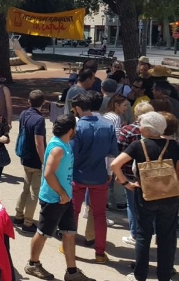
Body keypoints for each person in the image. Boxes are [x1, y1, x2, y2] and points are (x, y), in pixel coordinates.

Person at [25, 114, 95, 281]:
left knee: (69, 233)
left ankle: (72, 272)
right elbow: (48, 173)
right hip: (54, 199)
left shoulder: (65, 144)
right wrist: (62, 194)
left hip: (65, 199)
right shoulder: (58, 148)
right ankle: (32, 264)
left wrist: (66, 195)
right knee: (42, 233)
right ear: (70, 130)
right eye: (75, 128)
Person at [111, 112, 179, 281]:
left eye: (141, 125)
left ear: (148, 130)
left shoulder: (137, 145)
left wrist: (126, 183)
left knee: (143, 236)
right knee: (166, 237)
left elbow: (115, 164)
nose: (139, 127)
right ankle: (164, 275)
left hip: (145, 196)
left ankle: (139, 275)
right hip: (169, 196)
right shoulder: (175, 146)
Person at [69, 92, 117, 263]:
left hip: (79, 176)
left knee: (73, 213)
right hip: (100, 176)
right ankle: (100, 253)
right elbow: (112, 153)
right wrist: (110, 173)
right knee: (99, 215)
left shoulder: (78, 127)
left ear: (78, 109)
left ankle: (69, 248)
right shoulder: (108, 124)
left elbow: (71, 154)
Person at [116, 101, 154, 246]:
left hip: (131, 176)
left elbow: (120, 151)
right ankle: (150, 232)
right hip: (151, 174)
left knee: (132, 206)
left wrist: (120, 175)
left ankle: (134, 234)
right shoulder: (156, 131)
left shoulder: (127, 130)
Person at [14, 90, 47, 233]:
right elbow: (39, 143)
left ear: (29, 101)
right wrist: (44, 161)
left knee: (25, 188)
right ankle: (28, 222)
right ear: (43, 103)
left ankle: (18, 215)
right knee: (35, 192)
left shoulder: (23, 114)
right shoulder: (39, 120)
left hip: (25, 157)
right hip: (36, 160)